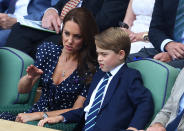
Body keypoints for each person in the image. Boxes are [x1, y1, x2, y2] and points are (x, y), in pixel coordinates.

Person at [38, 27, 154, 131]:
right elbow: (87, 110)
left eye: (104, 54)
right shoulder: (99, 75)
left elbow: (145, 102)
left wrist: (133, 127)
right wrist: (62, 117)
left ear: (121, 54)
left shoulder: (129, 76)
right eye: (98, 54)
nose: (99, 59)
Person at [0, 7, 98, 123]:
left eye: (77, 36)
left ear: (86, 38)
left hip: (60, 121)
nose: (69, 41)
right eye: (66, 33)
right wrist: (29, 77)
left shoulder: (90, 68)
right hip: (32, 114)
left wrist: (40, 115)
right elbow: (22, 90)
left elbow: (76, 110)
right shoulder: (48, 51)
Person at [5, 0, 129, 59]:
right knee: (19, 29)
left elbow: (102, 23)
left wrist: (68, 25)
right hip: (57, 27)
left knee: (46, 45)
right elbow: (60, 5)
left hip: (81, 35)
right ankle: (11, 81)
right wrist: (51, 11)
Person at [127, 0, 184, 69]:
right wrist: (168, 45)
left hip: (147, 40)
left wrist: (176, 53)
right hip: (164, 45)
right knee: (122, 61)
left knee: (153, 69)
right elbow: (155, 29)